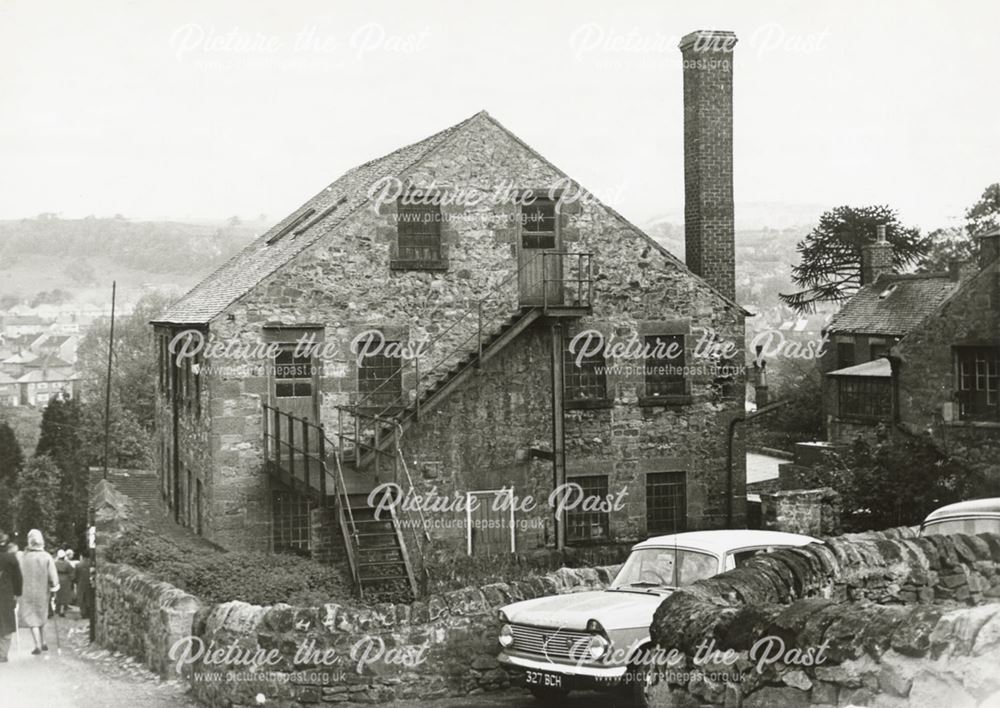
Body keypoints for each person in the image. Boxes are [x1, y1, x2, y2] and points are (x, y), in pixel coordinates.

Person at [18, 529, 58, 655]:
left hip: (27, 591)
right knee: (42, 614)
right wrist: (54, 587)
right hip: (43, 591)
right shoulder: (47, 557)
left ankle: (37, 645)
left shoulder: (24, 557)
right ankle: (44, 641)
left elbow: (18, 573)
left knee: (31, 617)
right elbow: (53, 576)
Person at [0, 530, 23, 663]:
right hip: (6, 595)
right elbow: (18, 578)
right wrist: (17, 593)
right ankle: (3, 653)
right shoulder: (11, 558)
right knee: (6, 622)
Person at [54, 550, 74, 617]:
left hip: (57, 579)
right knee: (64, 596)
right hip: (65, 580)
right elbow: (71, 571)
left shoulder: (55, 563)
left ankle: (57, 609)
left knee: (58, 595)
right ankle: (61, 611)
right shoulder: (67, 563)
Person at [75, 550, 93, 620]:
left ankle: (83, 613)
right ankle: (89, 612)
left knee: (81, 598)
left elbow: (75, 576)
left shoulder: (78, 565)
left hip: (80, 583)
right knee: (88, 598)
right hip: (89, 583)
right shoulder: (91, 564)